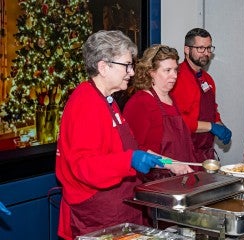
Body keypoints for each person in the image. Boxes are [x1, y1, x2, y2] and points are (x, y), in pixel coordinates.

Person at [55, 30, 165, 240]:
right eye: (126, 65)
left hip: (119, 203)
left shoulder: (107, 99)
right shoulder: (86, 102)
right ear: (103, 67)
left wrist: (163, 162)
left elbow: (122, 146)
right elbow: (85, 167)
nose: (131, 72)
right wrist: (129, 160)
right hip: (98, 212)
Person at [123, 44, 196, 179]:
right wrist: (171, 163)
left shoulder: (171, 99)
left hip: (179, 178)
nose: (174, 76)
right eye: (167, 70)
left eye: (175, 70)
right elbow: (135, 149)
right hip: (154, 180)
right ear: (151, 72)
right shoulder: (141, 102)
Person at [171, 28, 232, 162]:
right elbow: (178, 122)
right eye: (200, 48)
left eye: (209, 48)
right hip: (184, 153)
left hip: (205, 153)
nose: (206, 53)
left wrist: (220, 125)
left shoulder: (208, 79)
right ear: (187, 49)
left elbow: (212, 110)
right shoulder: (175, 78)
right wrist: (211, 127)